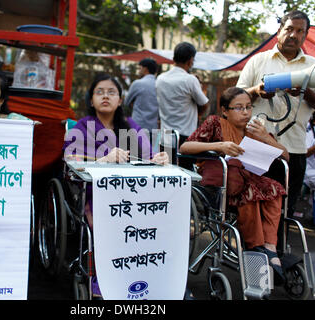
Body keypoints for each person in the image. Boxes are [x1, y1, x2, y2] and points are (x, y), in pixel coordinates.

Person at [62, 73, 169, 298]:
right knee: (108, 226)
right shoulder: (82, 127)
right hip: (93, 195)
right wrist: (104, 160)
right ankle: (100, 277)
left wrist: (158, 159)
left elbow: (148, 154)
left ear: (120, 100)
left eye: (111, 92)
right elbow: (71, 160)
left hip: (131, 194)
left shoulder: (129, 126)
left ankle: (141, 275)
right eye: (99, 92)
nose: (105, 97)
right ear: (91, 100)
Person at [180, 87, 289, 281]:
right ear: (225, 110)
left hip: (252, 178)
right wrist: (218, 146)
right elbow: (185, 147)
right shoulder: (215, 123)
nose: (246, 112)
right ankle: (256, 246)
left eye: (248, 107)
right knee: (249, 193)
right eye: (239, 108)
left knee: (275, 189)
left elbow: (285, 156)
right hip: (224, 184)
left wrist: (265, 137)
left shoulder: (255, 130)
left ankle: (270, 247)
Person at [236, 10, 315, 219]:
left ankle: (278, 247)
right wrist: (256, 91)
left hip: (295, 147)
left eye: (299, 31)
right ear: (279, 31)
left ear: (305, 36)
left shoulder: (314, 65)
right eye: (289, 29)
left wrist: (305, 91)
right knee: (251, 203)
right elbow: (236, 98)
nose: (293, 35)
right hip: (257, 144)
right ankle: (253, 248)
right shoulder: (258, 61)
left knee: (285, 206)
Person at [156, 42, 209, 146]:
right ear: (190, 61)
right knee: (184, 163)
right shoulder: (190, 80)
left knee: (166, 162)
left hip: (165, 137)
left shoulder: (160, 78)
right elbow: (204, 104)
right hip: (185, 137)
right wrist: (197, 116)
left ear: (174, 58)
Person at [124, 58, 159, 132]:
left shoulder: (138, 83)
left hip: (138, 125)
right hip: (153, 127)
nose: (139, 71)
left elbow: (126, 102)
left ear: (145, 69)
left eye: (140, 68)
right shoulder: (159, 84)